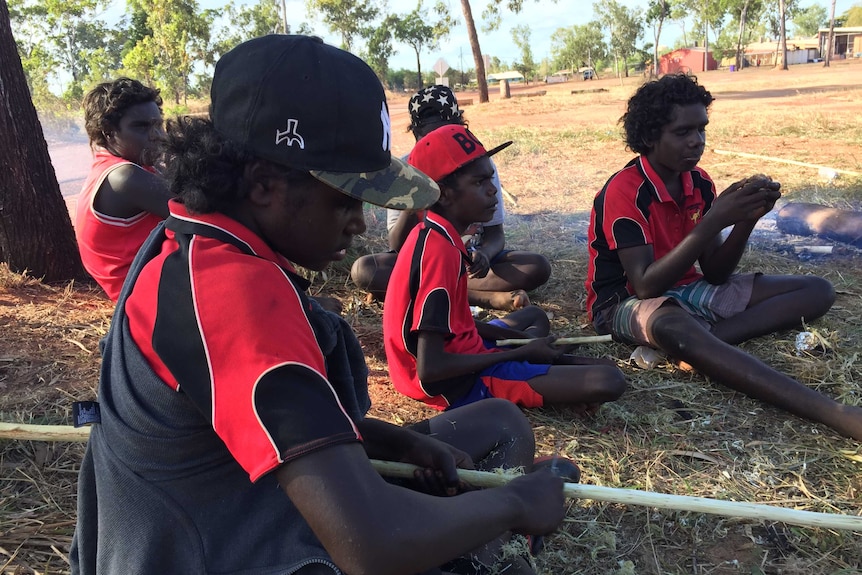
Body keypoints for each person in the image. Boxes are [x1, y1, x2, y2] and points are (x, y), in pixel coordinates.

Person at [70, 35, 572, 575]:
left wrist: (394, 439)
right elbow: (370, 546)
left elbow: (249, 423)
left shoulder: (189, 241)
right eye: (344, 199)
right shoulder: (233, 295)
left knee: (499, 423)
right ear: (264, 186)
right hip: (219, 545)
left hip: (239, 502)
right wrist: (515, 504)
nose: (359, 223)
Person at [585, 73, 862, 441]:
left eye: (702, 129)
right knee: (674, 324)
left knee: (817, 291)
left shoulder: (698, 181)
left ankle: (704, 347)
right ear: (651, 136)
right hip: (624, 302)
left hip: (687, 290)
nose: (696, 141)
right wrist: (714, 219)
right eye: (683, 132)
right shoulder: (625, 191)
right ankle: (832, 411)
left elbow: (715, 272)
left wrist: (745, 221)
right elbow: (645, 284)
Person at [383, 123, 626, 413]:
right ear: (443, 194)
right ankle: (543, 373)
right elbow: (431, 368)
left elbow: (454, 325)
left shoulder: (436, 234)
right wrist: (522, 352)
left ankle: (544, 367)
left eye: (491, 179)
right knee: (608, 378)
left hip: (458, 351)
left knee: (534, 317)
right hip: (452, 384)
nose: (492, 191)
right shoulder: (440, 253)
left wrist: (524, 343)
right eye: (479, 182)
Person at [350, 85, 551, 311]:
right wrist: (414, 194)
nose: (441, 144)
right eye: (431, 138)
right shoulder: (406, 171)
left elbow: (495, 234)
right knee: (366, 269)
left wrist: (484, 254)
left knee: (536, 266)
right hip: (424, 263)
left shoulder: (479, 165)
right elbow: (398, 245)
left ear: (460, 128)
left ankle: (435, 291)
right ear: (417, 135)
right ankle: (481, 297)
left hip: (469, 264)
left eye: (447, 135)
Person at [75, 78, 174, 302]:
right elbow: (203, 210)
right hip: (150, 301)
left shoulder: (118, 168)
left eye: (158, 124)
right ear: (109, 132)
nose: (157, 134)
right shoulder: (123, 178)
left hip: (152, 289)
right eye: (142, 126)